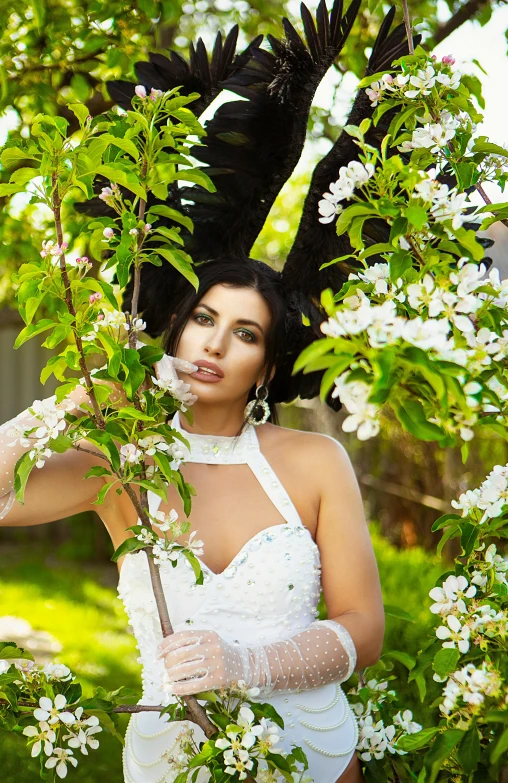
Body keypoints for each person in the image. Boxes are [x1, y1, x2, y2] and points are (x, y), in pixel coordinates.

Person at [0, 257, 384, 782]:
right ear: (177, 333)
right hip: (172, 760)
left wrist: (248, 668)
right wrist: (79, 402)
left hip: (315, 753)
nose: (215, 345)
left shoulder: (318, 461)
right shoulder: (122, 463)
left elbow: (364, 630)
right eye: (204, 319)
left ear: (267, 368)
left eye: (244, 333)